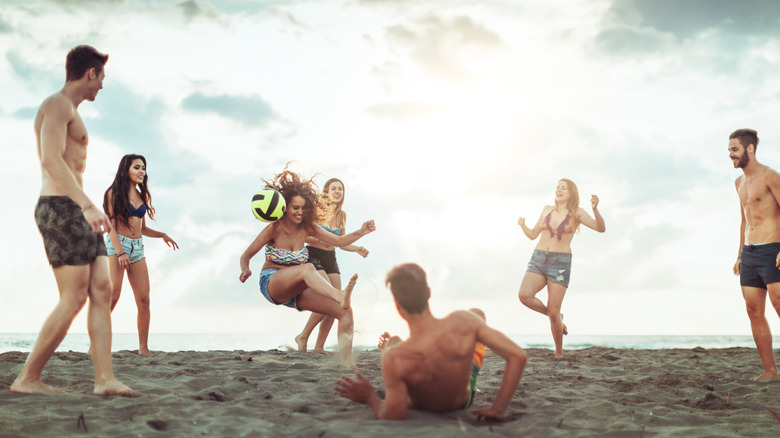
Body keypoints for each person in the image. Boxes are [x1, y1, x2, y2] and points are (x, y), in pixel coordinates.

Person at [10, 45, 137, 396]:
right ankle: (28, 378)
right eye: (101, 79)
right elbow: (51, 160)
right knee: (74, 296)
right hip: (61, 208)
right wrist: (86, 206)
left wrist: (86, 205)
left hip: (77, 207)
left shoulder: (70, 111)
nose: (101, 87)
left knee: (102, 289)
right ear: (90, 73)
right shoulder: (57, 104)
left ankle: (104, 380)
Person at [334, 263, 526, 421]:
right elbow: (518, 356)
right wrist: (498, 408)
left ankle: (392, 343)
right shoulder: (463, 321)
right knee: (476, 314)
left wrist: (370, 397)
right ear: (429, 293)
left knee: (394, 347)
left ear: (398, 306)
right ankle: (395, 341)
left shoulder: (394, 358)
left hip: (422, 395)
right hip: (463, 399)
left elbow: (393, 414)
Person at [239, 167, 375, 366]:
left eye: (303, 208)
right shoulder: (274, 228)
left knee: (344, 311)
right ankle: (338, 294)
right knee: (308, 268)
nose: (300, 212)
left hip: (296, 293)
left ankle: (346, 365)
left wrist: (361, 232)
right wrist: (245, 269)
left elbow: (339, 241)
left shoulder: (308, 227)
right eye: (295, 208)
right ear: (285, 207)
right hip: (272, 282)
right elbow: (247, 255)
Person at [516, 179, 605, 359]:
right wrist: (522, 225)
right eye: (557, 187)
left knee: (553, 312)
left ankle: (558, 353)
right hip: (538, 259)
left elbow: (600, 228)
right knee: (524, 296)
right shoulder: (546, 209)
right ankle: (557, 316)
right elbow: (533, 235)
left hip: (560, 264)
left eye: (563, 188)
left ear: (571, 192)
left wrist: (595, 209)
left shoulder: (577, 212)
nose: (559, 190)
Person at [103, 154, 178, 356]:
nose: (142, 171)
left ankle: (143, 348)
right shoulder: (112, 194)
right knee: (113, 297)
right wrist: (120, 253)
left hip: (137, 248)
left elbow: (141, 228)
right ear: (125, 169)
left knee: (144, 299)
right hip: (116, 245)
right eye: (137, 167)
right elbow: (110, 227)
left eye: (143, 168)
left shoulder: (141, 195)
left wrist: (162, 234)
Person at [295, 178, 370, 353]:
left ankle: (319, 346)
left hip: (331, 258)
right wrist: (324, 237)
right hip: (314, 255)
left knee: (337, 303)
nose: (337, 192)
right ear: (326, 192)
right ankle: (303, 336)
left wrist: (357, 248)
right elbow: (305, 237)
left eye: (340, 189)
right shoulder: (316, 212)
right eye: (334, 188)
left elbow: (341, 243)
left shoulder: (342, 216)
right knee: (330, 298)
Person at [729, 128, 780, 381]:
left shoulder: (770, 176)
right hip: (749, 253)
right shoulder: (738, 182)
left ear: (750, 149)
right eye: (729, 150)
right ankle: (771, 371)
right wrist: (739, 254)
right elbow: (743, 220)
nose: (730, 155)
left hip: (773, 249)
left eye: (734, 149)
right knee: (753, 310)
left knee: (779, 305)